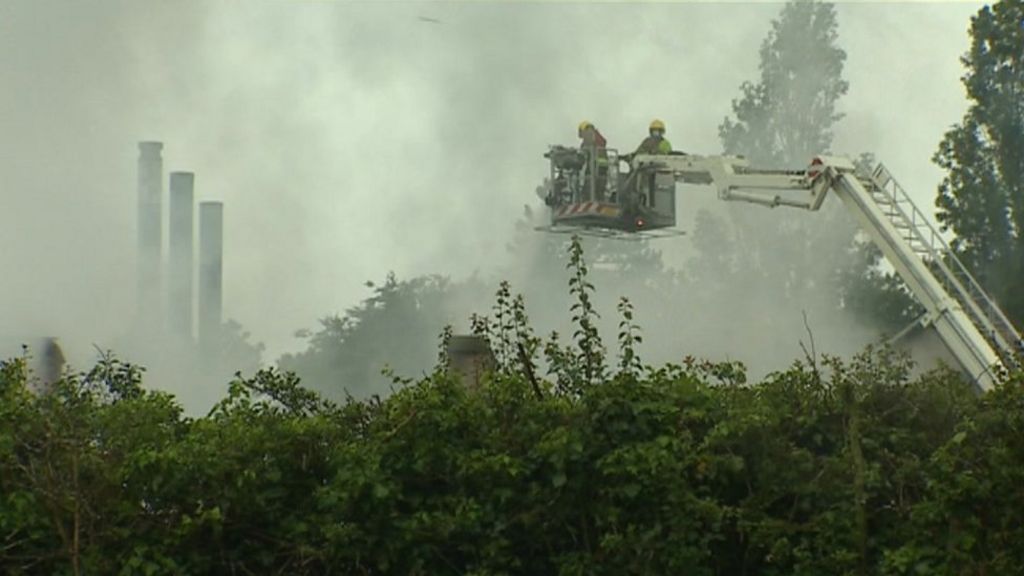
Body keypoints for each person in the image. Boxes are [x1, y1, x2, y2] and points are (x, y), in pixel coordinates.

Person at [577, 121, 609, 201]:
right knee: (600, 187)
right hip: (603, 166)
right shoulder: (596, 135)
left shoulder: (589, 133)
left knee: (589, 183)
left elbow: (585, 147)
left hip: (594, 164)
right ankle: (600, 200)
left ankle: (588, 199)